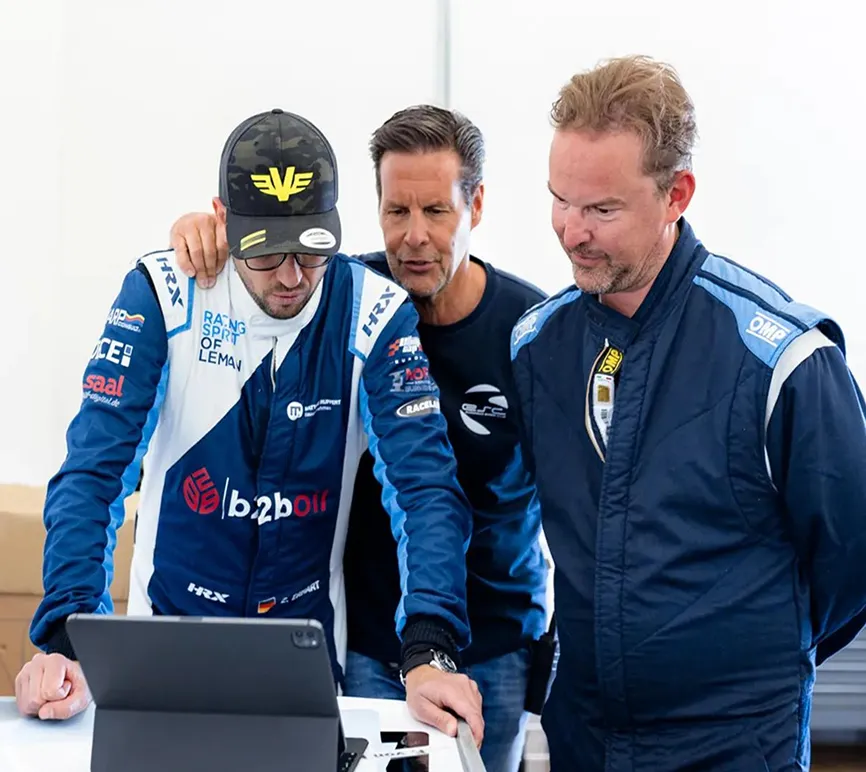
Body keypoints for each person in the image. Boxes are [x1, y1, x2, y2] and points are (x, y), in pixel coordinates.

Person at [15, 107, 484, 745]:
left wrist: (430, 647)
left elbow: (426, 489)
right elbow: (94, 473)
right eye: (266, 255)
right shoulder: (161, 292)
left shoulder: (375, 312)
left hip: (305, 657)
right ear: (223, 222)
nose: (292, 277)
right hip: (159, 648)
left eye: (312, 250)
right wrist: (66, 635)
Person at [509, 54, 866, 770]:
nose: (571, 231)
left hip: (734, 743)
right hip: (585, 735)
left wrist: (742, 661)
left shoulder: (782, 359)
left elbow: (851, 561)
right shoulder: (537, 346)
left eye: (602, 210)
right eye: (560, 199)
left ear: (677, 195)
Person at [167, 105, 550, 772]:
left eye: (435, 211)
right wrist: (208, 234)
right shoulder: (343, 296)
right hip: (374, 636)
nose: (414, 237)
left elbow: (575, 496)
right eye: (396, 211)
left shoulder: (529, 330)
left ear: (477, 205)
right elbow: (270, 267)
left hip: (496, 637)